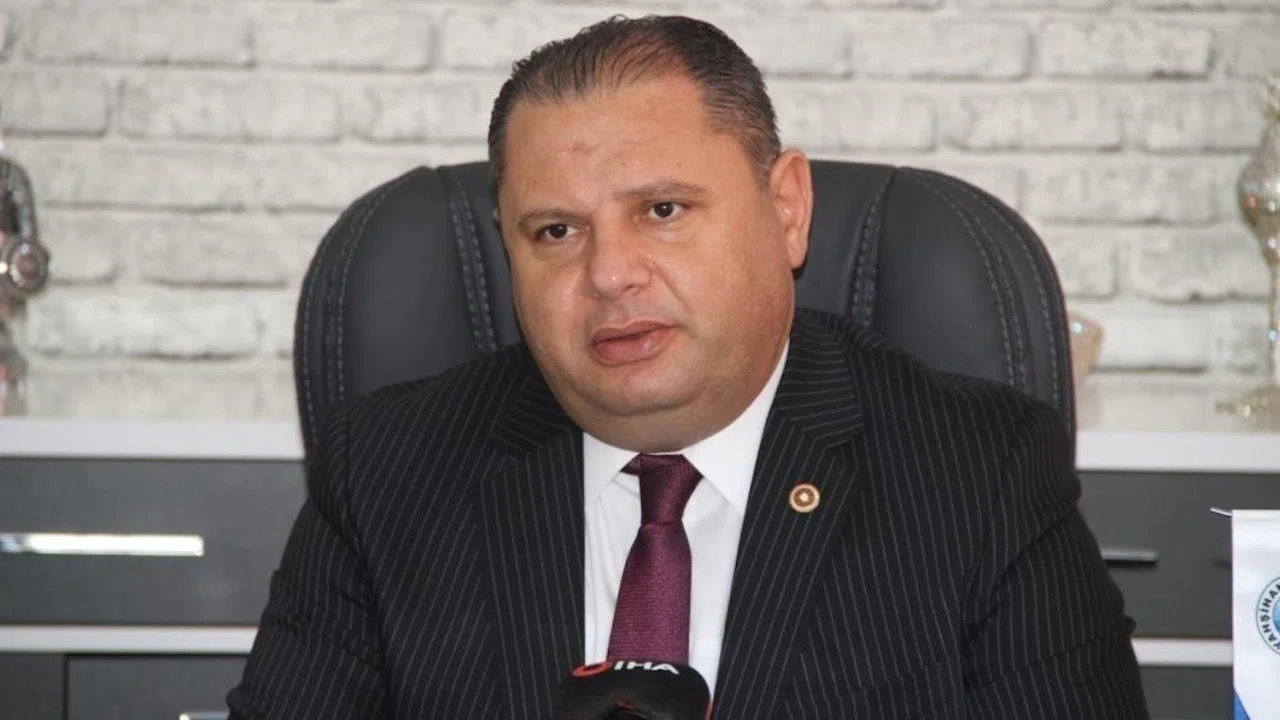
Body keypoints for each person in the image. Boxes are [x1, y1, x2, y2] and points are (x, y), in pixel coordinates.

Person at [227, 14, 1149, 719]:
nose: (609, 274)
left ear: (786, 209)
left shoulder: (980, 469)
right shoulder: (385, 470)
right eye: (556, 231)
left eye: (662, 211)